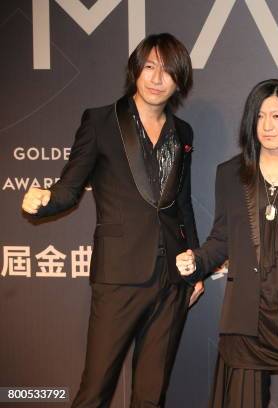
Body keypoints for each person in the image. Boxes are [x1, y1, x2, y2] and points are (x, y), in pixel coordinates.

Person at [21, 33, 204, 407]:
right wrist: (45, 199)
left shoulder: (182, 133)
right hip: (119, 274)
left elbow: (181, 204)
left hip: (172, 278)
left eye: (168, 71)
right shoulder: (101, 121)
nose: (156, 79)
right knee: (96, 389)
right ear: (136, 70)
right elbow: (71, 187)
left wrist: (195, 265)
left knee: (152, 393)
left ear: (179, 80)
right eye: (150, 67)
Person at [176, 79, 278, 407]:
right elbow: (221, 238)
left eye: (277, 116)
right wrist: (196, 261)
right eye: (260, 116)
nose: (267, 126)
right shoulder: (230, 173)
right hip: (246, 316)